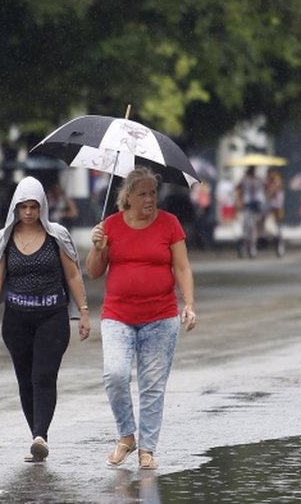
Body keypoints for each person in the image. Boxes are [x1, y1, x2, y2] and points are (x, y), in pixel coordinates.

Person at [85, 166, 197, 471]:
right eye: (143, 193)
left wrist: (189, 303)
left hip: (160, 317)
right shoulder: (110, 226)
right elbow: (93, 272)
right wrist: (98, 246)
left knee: (152, 386)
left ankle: (147, 449)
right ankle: (126, 435)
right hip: (118, 316)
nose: (150, 199)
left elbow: (182, 267)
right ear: (128, 197)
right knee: (115, 375)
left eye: (153, 193)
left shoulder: (169, 224)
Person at [0, 176, 91, 463]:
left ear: (43, 207)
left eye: (34, 207)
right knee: (25, 380)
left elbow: (74, 274)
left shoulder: (57, 237)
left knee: (43, 375)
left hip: (52, 317)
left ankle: (41, 435)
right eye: (23, 207)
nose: (28, 212)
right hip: (17, 320)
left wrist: (84, 312)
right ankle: (36, 439)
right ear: (15, 207)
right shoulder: (4, 239)